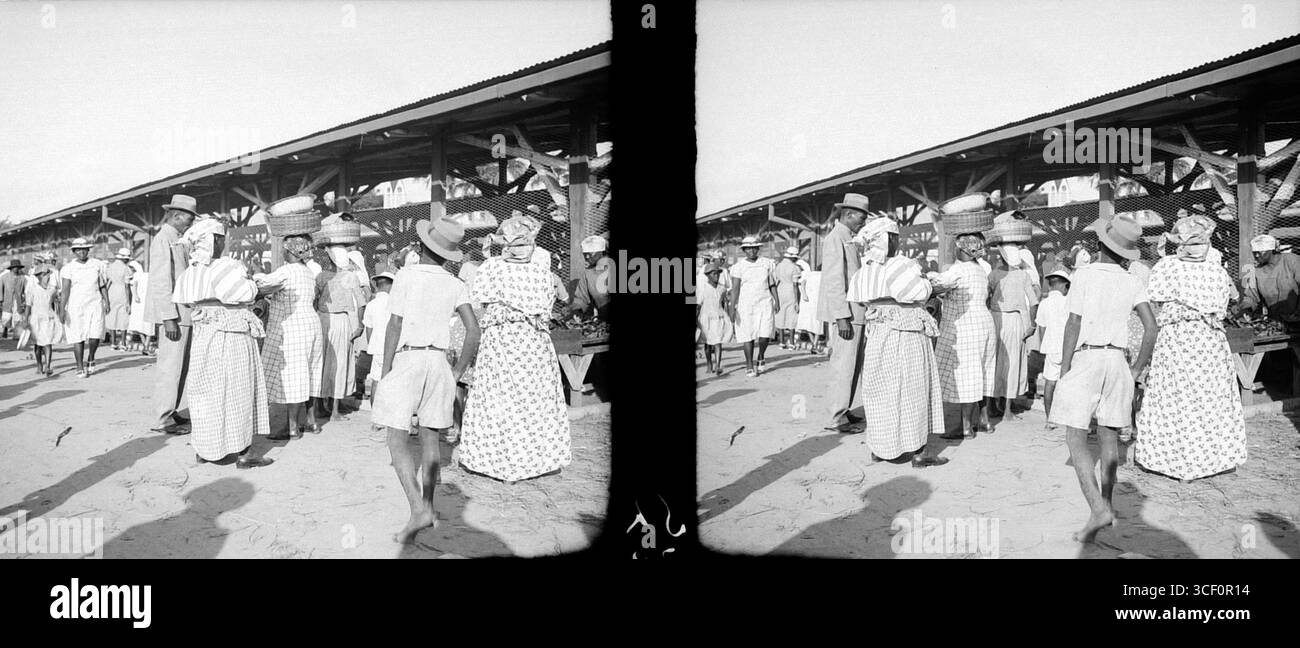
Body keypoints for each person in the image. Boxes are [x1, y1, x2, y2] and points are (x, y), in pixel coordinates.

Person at [1048, 214, 1157, 543]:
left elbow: (1072, 324)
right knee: (1109, 439)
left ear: (1099, 245)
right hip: (1118, 361)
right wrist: (1136, 369)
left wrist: (1065, 369)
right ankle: (1105, 509)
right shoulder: (1132, 280)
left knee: (1076, 438)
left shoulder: (1084, 274)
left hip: (1088, 357)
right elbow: (1152, 328)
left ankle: (1097, 508)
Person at [372, 217, 480, 543]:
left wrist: (386, 369)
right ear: (449, 254)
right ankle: (429, 507)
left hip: (409, 357)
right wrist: (458, 371)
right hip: (438, 361)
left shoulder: (405, 276)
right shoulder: (455, 283)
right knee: (431, 439)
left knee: (396, 439)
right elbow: (473, 331)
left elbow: (394, 325)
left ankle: (418, 509)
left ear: (420, 247)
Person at [460, 215, 571, 484]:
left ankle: (495, 460)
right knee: (532, 398)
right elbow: (550, 308)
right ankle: (533, 460)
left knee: (499, 397)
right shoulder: (544, 274)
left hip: (501, 342)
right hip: (533, 344)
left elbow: (482, 304)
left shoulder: (491, 268)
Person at [1135, 215, 1246, 482]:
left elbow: (1157, 298)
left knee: (1176, 396)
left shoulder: (1167, 267)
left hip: (1177, 340)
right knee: (1210, 397)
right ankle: (1212, 460)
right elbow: (1226, 304)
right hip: (1209, 341)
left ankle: (1174, 461)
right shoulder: (1217, 272)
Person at [171, 218, 273, 469]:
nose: (223, 242)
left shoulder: (191, 271)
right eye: (220, 238)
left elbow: (185, 301)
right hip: (232, 335)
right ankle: (245, 453)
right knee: (239, 390)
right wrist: (259, 288)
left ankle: (207, 449)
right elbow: (245, 293)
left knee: (206, 391)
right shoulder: (226, 267)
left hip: (204, 337)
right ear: (212, 241)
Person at [847, 217, 948, 467]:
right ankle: (919, 453)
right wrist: (933, 286)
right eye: (895, 237)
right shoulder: (901, 265)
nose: (898, 241)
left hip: (879, 334)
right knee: (913, 388)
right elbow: (920, 292)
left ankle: (881, 448)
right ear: (886, 240)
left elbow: (861, 300)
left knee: (881, 390)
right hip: (906, 333)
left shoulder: (865, 269)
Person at [257, 234, 325, 438]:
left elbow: (262, 286)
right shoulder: (307, 272)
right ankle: (311, 421)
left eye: (285, 249)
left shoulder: (286, 271)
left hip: (293, 326)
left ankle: (292, 427)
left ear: (290, 251)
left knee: (293, 375)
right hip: (311, 323)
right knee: (311, 371)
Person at [930, 231, 997, 438]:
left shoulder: (958, 270)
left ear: (961, 248)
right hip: (985, 323)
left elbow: (935, 287)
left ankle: (965, 426)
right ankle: (984, 421)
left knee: (967, 375)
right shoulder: (980, 269)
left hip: (966, 325)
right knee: (984, 372)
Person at [818, 193, 870, 430]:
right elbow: (834, 280)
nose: (863, 223)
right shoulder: (835, 238)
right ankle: (836, 417)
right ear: (848, 215)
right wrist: (842, 318)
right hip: (846, 315)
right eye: (861, 218)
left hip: (855, 314)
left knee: (852, 366)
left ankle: (844, 409)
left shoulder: (849, 237)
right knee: (843, 366)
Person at [148, 195, 198, 432]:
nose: (189, 224)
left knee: (181, 367)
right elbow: (160, 281)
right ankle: (163, 418)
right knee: (170, 367)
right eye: (188, 219)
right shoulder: (162, 239)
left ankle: (172, 409)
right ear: (176, 216)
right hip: (174, 316)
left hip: (184, 313)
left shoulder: (177, 238)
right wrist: (168, 318)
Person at [312, 218, 366, 419]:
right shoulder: (351, 276)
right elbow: (361, 303)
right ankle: (334, 410)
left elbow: (314, 300)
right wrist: (358, 325)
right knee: (340, 362)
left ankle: (319, 406)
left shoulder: (321, 277)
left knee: (322, 362)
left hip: (323, 320)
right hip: (341, 322)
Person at [986, 237, 1040, 419]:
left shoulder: (993, 275)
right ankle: (1008, 409)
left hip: (995, 318)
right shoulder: (1023, 275)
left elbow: (986, 297)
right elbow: (1033, 303)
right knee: (1013, 362)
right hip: (1015, 321)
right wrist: (1031, 324)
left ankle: (992, 405)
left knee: (994, 362)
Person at [730, 236, 780, 377]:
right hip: (746, 305)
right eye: (748, 248)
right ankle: (749, 364)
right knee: (748, 334)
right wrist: (732, 308)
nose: (752, 251)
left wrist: (777, 300)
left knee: (765, 334)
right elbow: (735, 289)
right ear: (744, 250)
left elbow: (772, 283)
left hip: (764, 302)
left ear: (758, 249)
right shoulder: (738, 267)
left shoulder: (767, 263)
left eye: (754, 248)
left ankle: (761, 355)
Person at [60, 239, 110, 377]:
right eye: (78, 250)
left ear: (88, 250)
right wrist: (61, 309)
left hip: (95, 303)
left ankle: (91, 357)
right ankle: (79, 366)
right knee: (78, 335)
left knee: (95, 334)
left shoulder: (97, 265)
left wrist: (107, 301)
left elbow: (102, 285)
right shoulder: (68, 268)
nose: (81, 252)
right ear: (74, 252)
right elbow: (65, 290)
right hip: (76, 305)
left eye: (84, 249)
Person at [1235, 234, 1300, 327]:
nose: (1256, 255)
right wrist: (1246, 308)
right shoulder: (1256, 272)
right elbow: (1251, 297)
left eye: (1260, 252)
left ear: (1272, 250)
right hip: (1276, 322)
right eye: (1254, 252)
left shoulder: (1292, 261)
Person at [1036, 269, 1071, 428]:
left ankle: (1050, 419)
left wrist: (1045, 345)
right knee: (1069, 383)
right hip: (1068, 348)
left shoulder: (1044, 304)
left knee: (1050, 383)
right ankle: (1069, 420)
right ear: (1064, 286)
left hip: (1051, 348)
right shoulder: (1068, 302)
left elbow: (1042, 328)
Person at [361, 269, 395, 402]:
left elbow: (369, 329)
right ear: (390, 286)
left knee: (376, 380)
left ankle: (375, 412)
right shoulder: (394, 304)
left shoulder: (371, 305)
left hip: (377, 348)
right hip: (392, 348)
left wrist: (372, 345)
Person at [26, 264, 62, 376]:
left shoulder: (52, 289)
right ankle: (39, 364)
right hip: (36, 318)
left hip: (49, 317)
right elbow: (28, 305)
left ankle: (48, 366)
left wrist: (61, 313)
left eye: (48, 274)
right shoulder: (32, 290)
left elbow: (57, 302)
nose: (48, 277)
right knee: (38, 344)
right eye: (46, 275)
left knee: (48, 342)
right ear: (40, 276)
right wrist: (26, 320)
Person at [697, 261, 732, 375]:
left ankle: (717, 365)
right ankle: (709, 364)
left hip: (719, 316)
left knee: (718, 341)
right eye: (713, 274)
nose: (716, 276)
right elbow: (698, 304)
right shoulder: (702, 288)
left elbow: (725, 302)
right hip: (706, 317)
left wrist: (729, 313)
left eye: (717, 274)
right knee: (708, 343)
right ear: (708, 275)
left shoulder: (722, 288)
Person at [569, 234, 613, 319]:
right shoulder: (588, 274)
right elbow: (581, 298)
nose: (587, 257)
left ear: (602, 252)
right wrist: (577, 310)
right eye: (585, 254)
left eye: (591, 254)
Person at [105, 247, 134, 351]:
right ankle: (123, 343)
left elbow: (107, 281)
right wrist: (129, 302)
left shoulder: (110, 267)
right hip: (122, 291)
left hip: (111, 291)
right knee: (123, 317)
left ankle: (113, 343)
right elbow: (127, 286)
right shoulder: (126, 269)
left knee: (112, 315)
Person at [774, 246, 803, 350]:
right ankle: (791, 342)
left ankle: (781, 342)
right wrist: (797, 301)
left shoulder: (778, 266)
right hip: (790, 289)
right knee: (791, 315)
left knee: (780, 314)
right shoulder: (794, 268)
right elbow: (795, 285)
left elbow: (776, 281)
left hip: (780, 289)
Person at [127, 259, 154, 355]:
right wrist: (136, 296)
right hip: (139, 302)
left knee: (147, 324)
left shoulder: (140, 276)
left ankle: (145, 346)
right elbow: (133, 287)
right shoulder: (137, 276)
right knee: (141, 324)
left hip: (143, 301)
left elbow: (133, 287)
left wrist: (135, 296)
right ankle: (145, 346)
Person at [796, 263, 825, 354]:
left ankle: (813, 344)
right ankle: (814, 345)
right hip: (816, 301)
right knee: (818, 323)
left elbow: (802, 283)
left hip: (807, 301)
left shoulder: (810, 274)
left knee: (808, 323)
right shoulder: (823, 276)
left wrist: (804, 294)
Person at [1, 258, 26, 339]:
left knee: (18, 317)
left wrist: (25, 300)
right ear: (11, 268)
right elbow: (0, 289)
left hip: (18, 301)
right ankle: (5, 328)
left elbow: (26, 290)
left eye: (17, 267)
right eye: (14, 267)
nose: (16, 269)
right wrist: (0, 300)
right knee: (6, 317)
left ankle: (17, 334)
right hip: (7, 300)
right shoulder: (4, 277)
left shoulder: (22, 278)